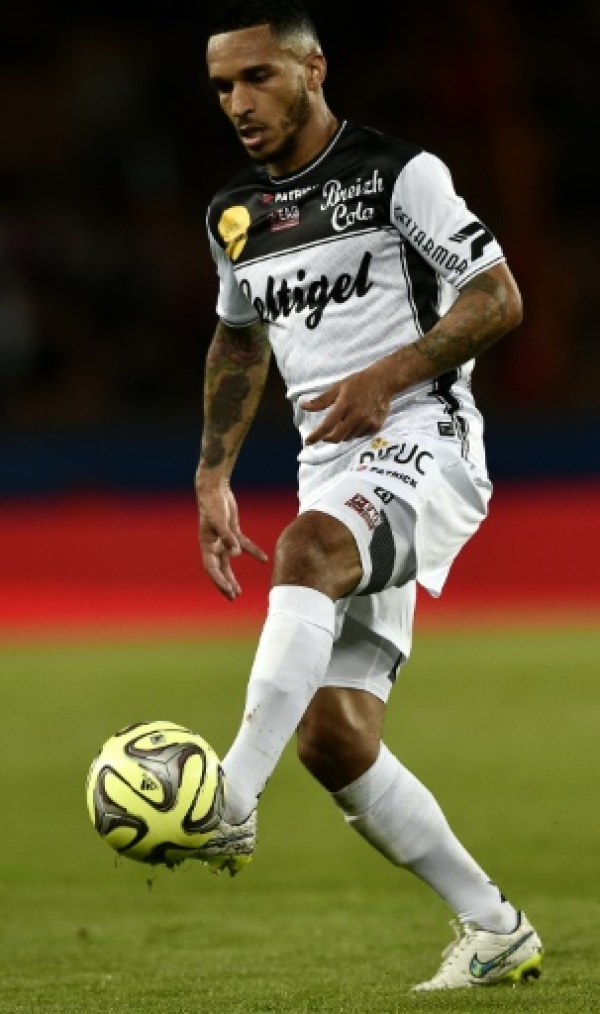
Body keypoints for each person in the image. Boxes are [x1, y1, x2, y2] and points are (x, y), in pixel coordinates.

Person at [194, 0, 544, 991]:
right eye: (222, 86)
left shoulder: (400, 174)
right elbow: (237, 340)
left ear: (313, 69)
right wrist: (212, 472)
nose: (238, 101)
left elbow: (500, 296)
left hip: (426, 445)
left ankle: (226, 800)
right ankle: (495, 928)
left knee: (306, 549)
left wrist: (387, 375)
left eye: (257, 76)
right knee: (336, 739)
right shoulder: (235, 215)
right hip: (332, 470)